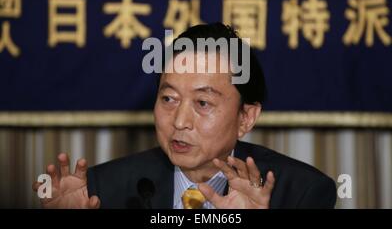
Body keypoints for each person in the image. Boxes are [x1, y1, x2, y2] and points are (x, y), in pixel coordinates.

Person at [33, 23, 336, 209]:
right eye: (168, 98)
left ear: (246, 117)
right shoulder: (104, 189)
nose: (179, 121)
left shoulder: (301, 193)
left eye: (203, 103)